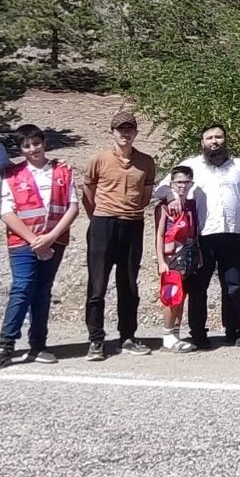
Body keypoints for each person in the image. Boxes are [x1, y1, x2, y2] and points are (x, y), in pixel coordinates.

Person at [154, 125, 240, 349]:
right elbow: (161, 189)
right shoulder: (191, 166)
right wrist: (173, 195)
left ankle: (233, 332)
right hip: (202, 237)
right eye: (209, 138)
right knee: (198, 287)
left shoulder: (239, 166)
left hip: (234, 234)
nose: (214, 141)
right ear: (202, 142)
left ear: (226, 140)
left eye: (218, 137)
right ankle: (198, 334)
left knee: (232, 285)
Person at [1, 124, 79, 366]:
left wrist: (50, 238)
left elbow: (72, 206)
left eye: (36, 143)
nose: (32, 149)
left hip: (54, 241)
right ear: (21, 149)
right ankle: (6, 343)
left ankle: (38, 344)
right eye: (26, 145)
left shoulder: (63, 171)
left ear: (44, 142)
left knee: (43, 291)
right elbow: (6, 211)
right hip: (23, 242)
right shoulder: (11, 174)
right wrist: (35, 240)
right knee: (23, 287)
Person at [82, 111, 157, 360]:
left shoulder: (146, 162)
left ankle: (127, 336)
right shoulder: (99, 159)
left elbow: (146, 196)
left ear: (135, 132)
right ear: (112, 132)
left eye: (129, 129)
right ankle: (96, 340)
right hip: (103, 224)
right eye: (120, 129)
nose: (125, 134)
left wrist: (130, 210)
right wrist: (101, 215)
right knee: (97, 286)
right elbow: (88, 191)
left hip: (133, 224)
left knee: (129, 284)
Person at [153, 165, 200, 353]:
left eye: (186, 182)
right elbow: (158, 235)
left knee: (181, 297)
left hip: (187, 256)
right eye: (179, 182)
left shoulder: (191, 205)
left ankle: (175, 334)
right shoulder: (164, 206)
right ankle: (167, 334)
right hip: (170, 257)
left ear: (191, 184)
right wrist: (161, 261)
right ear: (172, 183)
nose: (182, 186)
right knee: (171, 297)